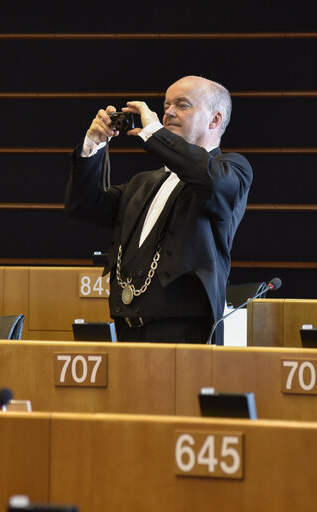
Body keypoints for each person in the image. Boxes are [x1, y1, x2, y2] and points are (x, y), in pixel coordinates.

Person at [65, 76, 252, 344]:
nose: (168, 113)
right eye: (166, 106)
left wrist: (155, 134)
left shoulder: (231, 169)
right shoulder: (144, 182)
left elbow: (211, 183)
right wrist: (93, 144)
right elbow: (83, 205)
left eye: (182, 105)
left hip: (184, 334)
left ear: (215, 120)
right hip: (126, 329)